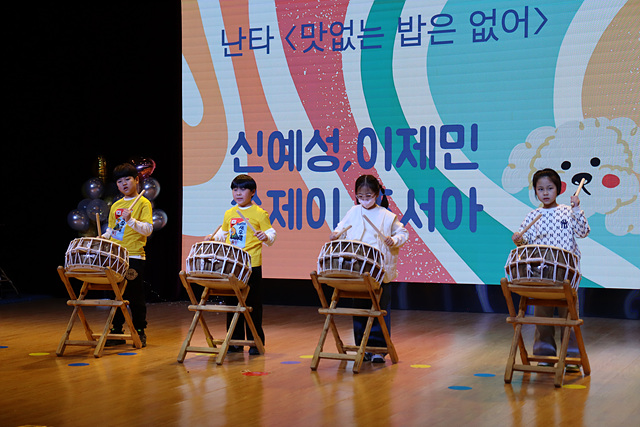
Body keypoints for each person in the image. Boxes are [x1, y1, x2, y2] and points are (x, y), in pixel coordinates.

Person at [511, 168, 590, 372]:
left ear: (558, 189)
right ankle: (544, 355)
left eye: (549, 188)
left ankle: (571, 358)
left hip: (565, 273)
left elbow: (583, 232)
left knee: (569, 316)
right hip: (541, 273)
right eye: (540, 189)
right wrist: (519, 240)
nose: (545, 193)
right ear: (535, 191)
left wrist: (576, 208)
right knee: (542, 316)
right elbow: (526, 245)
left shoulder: (567, 211)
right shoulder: (533, 215)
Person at [330, 175, 409, 363]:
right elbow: (341, 227)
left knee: (379, 310)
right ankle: (362, 348)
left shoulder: (387, 216)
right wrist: (336, 234)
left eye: (368, 196)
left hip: (379, 271)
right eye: (360, 196)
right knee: (359, 309)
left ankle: (378, 350)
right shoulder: (353, 211)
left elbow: (403, 233)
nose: (364, 200)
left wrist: (394, 240)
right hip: (357, 269)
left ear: (377, 194)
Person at [206, 174, 276, 355]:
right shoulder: (230, 213)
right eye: (235, 189)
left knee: (252, 304)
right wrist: (213, 237)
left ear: (252, 192)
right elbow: (224, 233)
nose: (238, 193)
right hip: (233, 264)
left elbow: (271, 233)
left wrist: (265, 236)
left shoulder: (259, 213)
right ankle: (234, 341)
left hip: (251, 264)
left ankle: (255, 342)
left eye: (243, 189)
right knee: (232, 304)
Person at [103, 163, 153, 347]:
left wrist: (130, 220)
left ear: (136, 180)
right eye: (119, 181)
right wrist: (105, 236)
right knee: (115, 296)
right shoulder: (116, 205)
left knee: (135, 296)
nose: (123, 183)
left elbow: (147, 229)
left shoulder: (143, 203)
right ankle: (116, 330)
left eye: (127, 179)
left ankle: (139, 330)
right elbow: (113, 230)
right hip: (116, 257)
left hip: (134, 256)